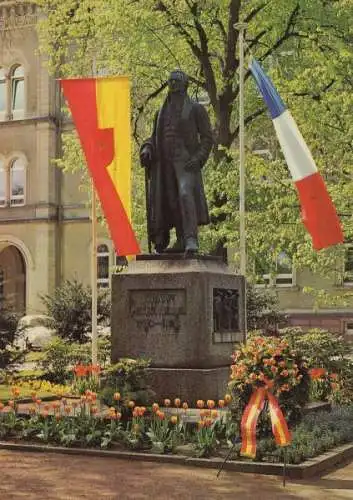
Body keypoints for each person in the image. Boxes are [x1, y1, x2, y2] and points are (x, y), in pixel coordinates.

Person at [140, 69, 213, 254]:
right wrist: (147, 149)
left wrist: (198, 159)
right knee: (170, 201)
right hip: (165, 165)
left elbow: (207, 138)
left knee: (185, 194)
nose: (175, 92)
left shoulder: (196, 109)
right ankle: (179, 239)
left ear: (185, 89)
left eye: (178, 89)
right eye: (172, 88)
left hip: (186, 163)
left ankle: (190, 239)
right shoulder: (160, 113)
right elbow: (153, 138)